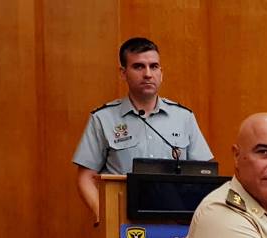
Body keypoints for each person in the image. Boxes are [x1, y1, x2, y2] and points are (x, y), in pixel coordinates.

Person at [73, 37, 213, 220]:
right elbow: (86, 178)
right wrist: (106, 217)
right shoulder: (103, 119)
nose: (148, 74)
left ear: (161, 73)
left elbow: (205, 174)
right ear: (123, 73)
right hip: (123, 224)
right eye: (138, 66)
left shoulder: (183, 117)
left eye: (154, 66)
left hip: (175, 224)